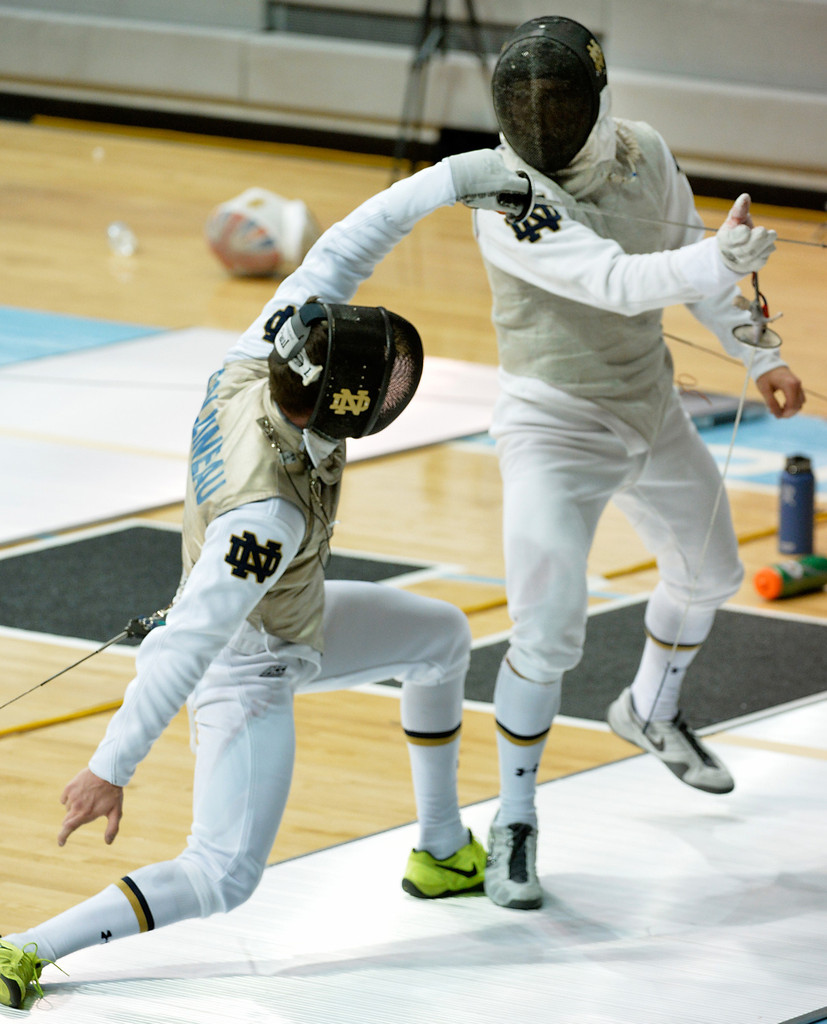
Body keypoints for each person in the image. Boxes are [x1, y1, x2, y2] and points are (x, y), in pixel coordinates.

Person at [0, 149, 534, 1009]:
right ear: (331, 406)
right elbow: (188, 645)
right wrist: (110, 767)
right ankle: (25, 947)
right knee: (225, 874)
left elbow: (350, 243)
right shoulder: (266, 519)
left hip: (295, 614)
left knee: (440, 636)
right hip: (245, 663)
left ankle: (439, 850)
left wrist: (467, 174)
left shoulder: (267, 352)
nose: (392, 381)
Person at [472, 15, 806, 910]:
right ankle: (512, 818)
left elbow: (690, 261)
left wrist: (758, 354)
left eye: (559, 102)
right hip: (552, 426)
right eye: (528, 105)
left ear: (595, 99)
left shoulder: (642, 151)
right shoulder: (502, 193)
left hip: (649, 405)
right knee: (546, 630)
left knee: (710, 575)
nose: (543, 121)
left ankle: (648, 710)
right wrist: (709, 258)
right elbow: (618, 279)